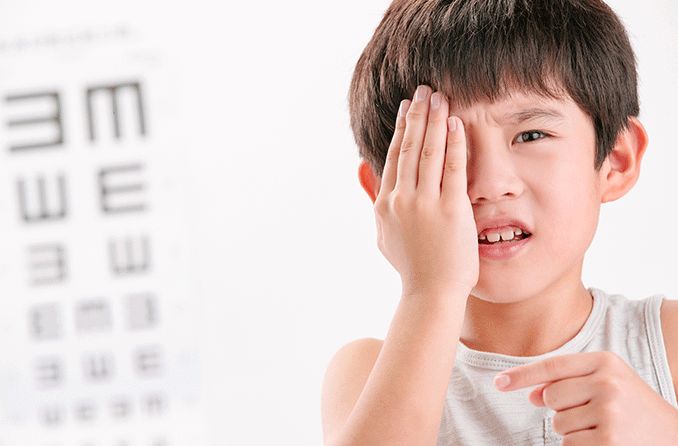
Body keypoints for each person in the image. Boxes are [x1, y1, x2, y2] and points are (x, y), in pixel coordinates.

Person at [320, 0, 678, 445]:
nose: (490, 184)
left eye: (531, 135)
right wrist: (432, 288)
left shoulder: (668, 345)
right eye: (445, 149)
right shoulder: (367, 375)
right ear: (388, 194)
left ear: (616, 161)